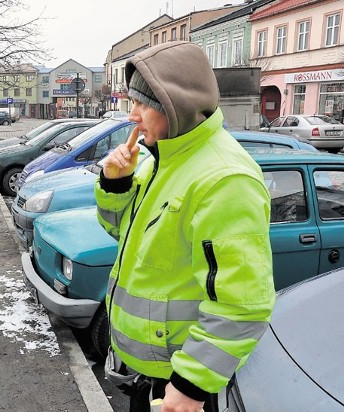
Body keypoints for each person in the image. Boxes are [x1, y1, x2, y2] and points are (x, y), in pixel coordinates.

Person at [95, 41, 275, 412]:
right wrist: (116, 183)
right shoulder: (161, 162)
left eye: (142, 104)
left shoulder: (225, 179)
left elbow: (242, 305)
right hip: (148, 376)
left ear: (175, 106)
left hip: (179, 388)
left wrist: (191, 386)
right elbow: (124, 237)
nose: (132, 115)